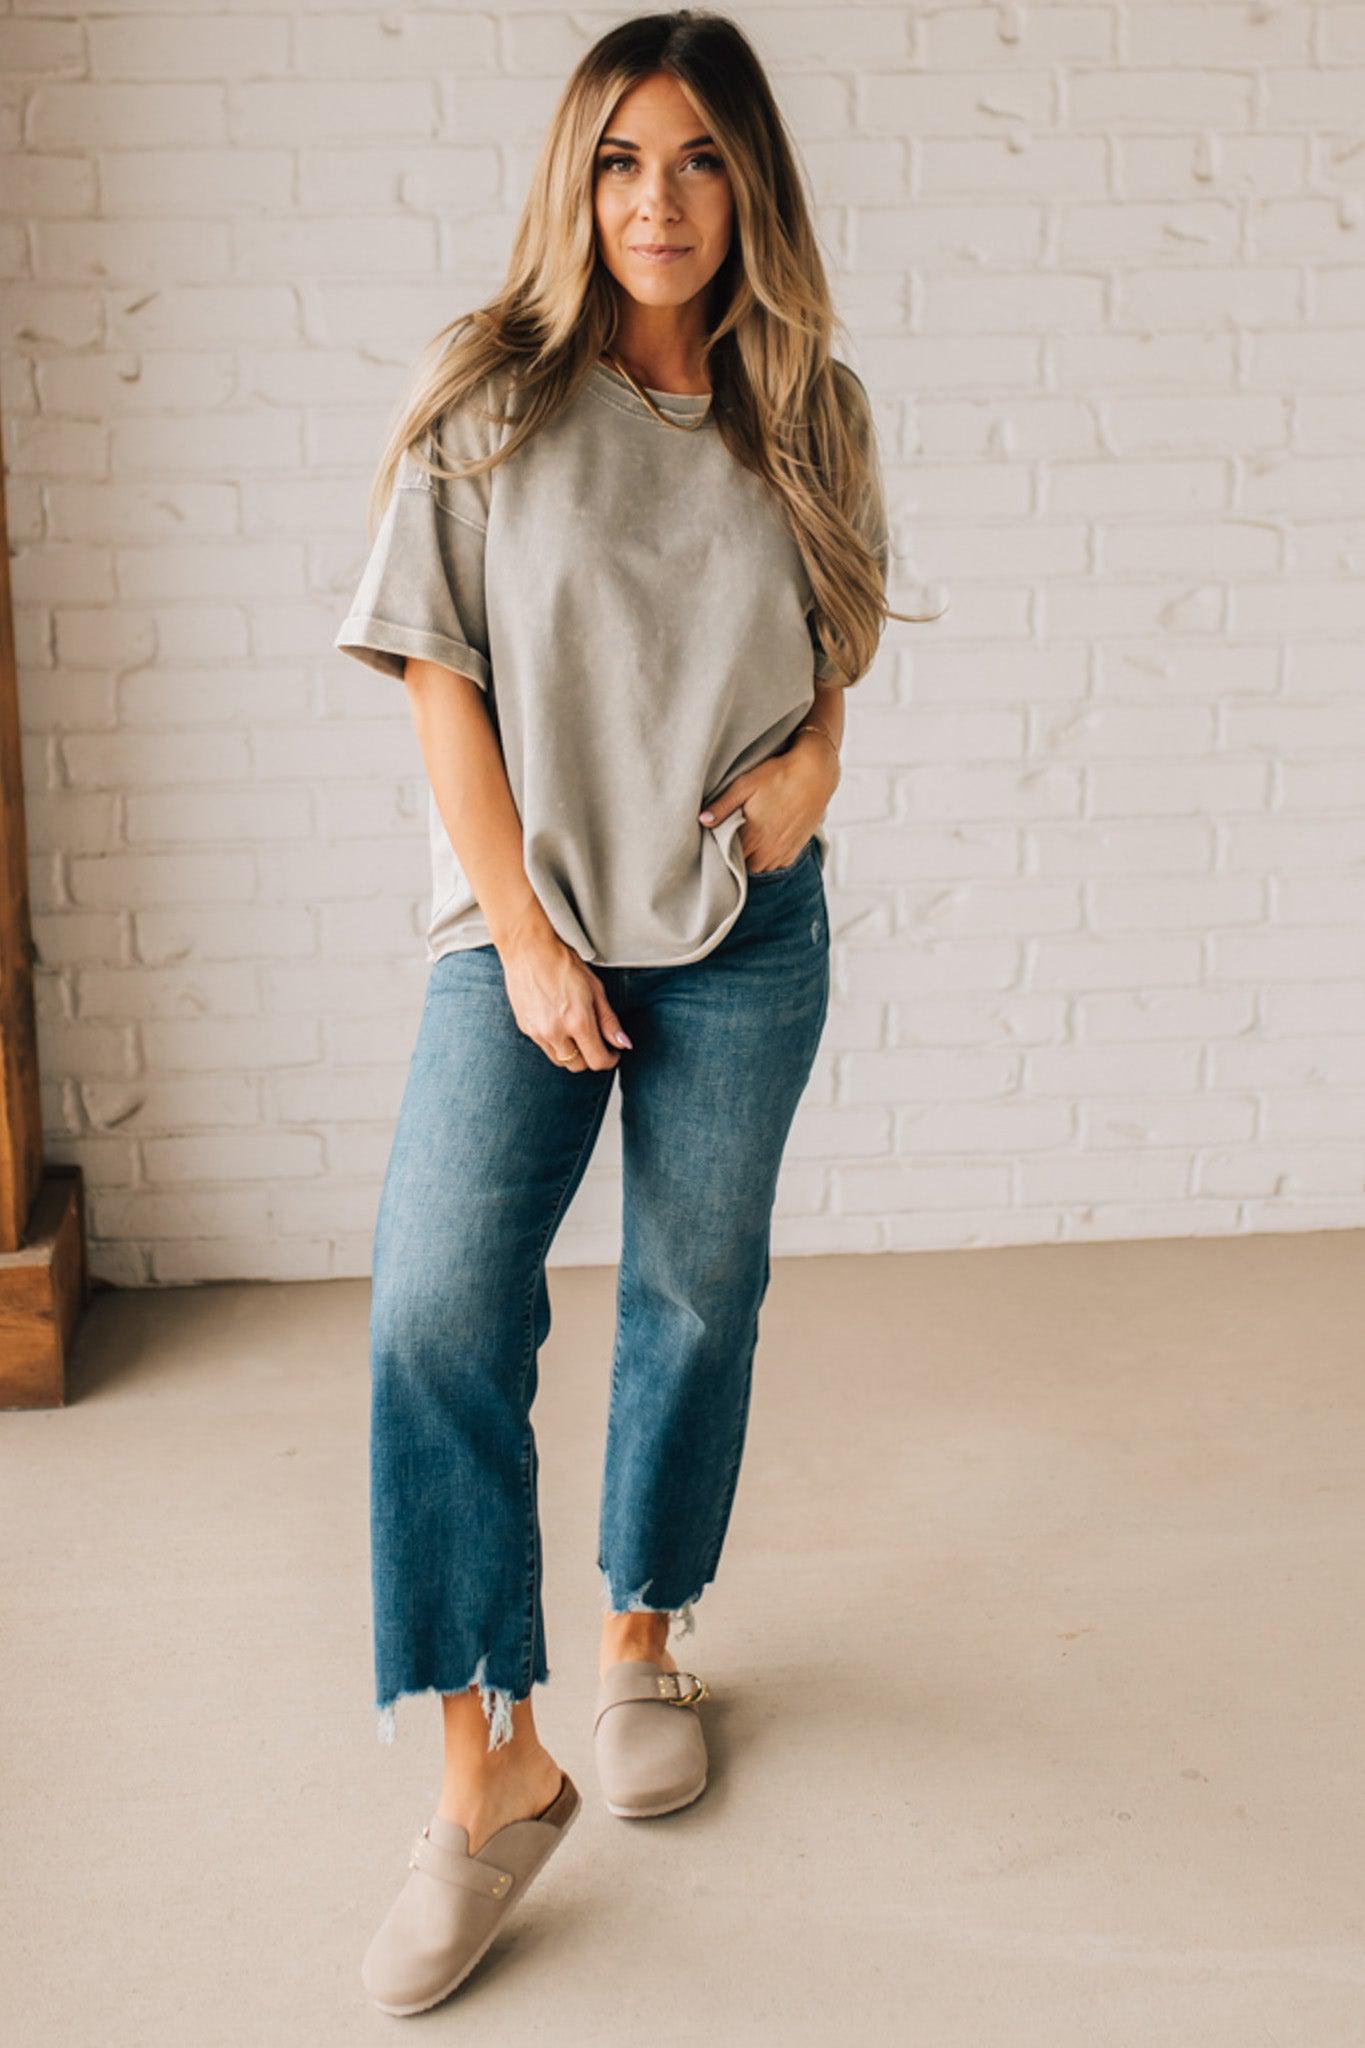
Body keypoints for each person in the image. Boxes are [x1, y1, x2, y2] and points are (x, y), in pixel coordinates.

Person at [333, 8, 922, 2016]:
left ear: (745, 181)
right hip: (525, 928)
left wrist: (812, 776)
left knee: (692, 1282)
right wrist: (518, 934)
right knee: (435, 1299)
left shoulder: (808, 402)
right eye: (617, 159)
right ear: (570, 179)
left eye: (693, 159)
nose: (655, 201)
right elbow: (438, 676)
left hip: (746, 930)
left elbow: (835, 642)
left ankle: (646, 1631)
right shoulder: (487, 399)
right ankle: (486, 1764)